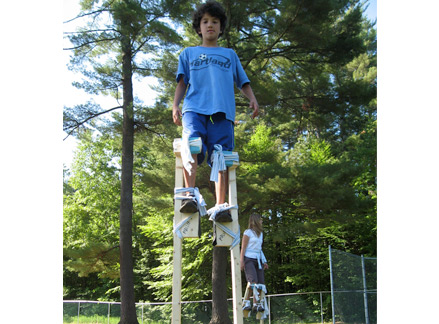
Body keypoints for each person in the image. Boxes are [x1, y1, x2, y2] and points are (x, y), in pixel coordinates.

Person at [172, 0, 259, 221]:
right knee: (191, 144)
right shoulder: (188, 53)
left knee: (220, 155)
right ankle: (190, 194)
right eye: (205, 21)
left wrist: (252, 99)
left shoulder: (229, 55)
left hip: (222, 113)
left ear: (221, 28)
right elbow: (182, 82)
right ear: (198, 27)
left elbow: (243, 82)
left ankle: (220, 204)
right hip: (194, 109)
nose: (210, 25)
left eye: (215, 21)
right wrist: (175, 105)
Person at [240, 213, 268, 313]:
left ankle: (257, 304)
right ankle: (246, 302)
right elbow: (243, 248)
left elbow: (259, 249)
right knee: (253, 281)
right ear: (256, 221)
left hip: (258, 259)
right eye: (260, 220)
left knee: (260, 283)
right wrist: (241, 261)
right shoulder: (248, 232)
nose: (262, 221)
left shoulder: (260, 234)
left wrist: (264, 261)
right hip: (249, 259)